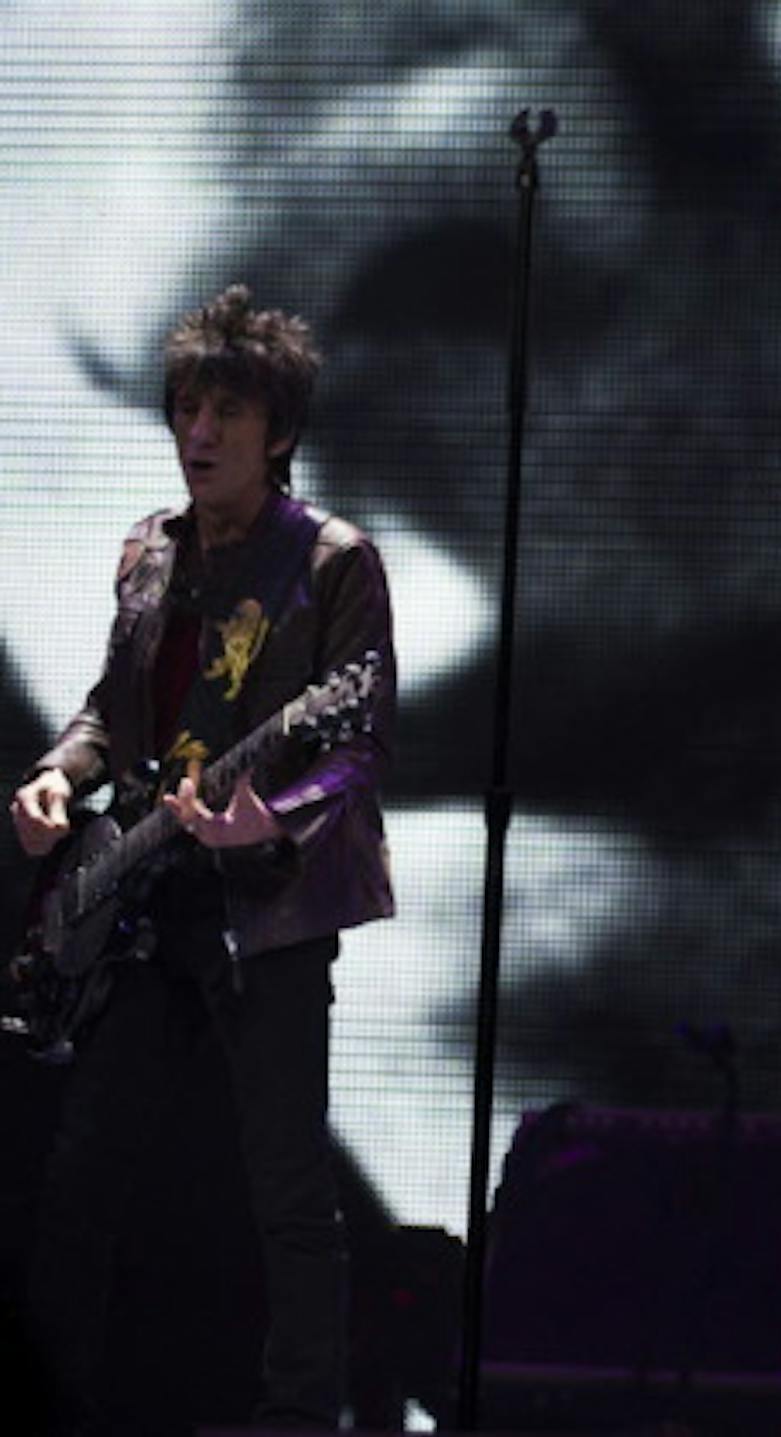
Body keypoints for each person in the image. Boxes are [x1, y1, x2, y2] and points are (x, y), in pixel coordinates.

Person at [9, 285, 395, 1432]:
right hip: (140, 901)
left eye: (227, 412)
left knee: (288, 1195)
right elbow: (108, 711)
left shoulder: (331, 561)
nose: (200, 433)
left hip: (264, 909)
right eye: (187, 408)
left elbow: (361, 739)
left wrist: (271, 821)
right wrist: (58, 775)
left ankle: (300, 1418)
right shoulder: (147, 550)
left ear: (277, 431)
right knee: (83, 1182)